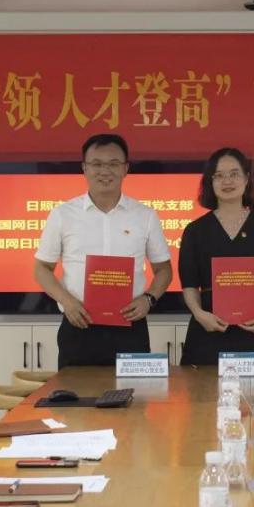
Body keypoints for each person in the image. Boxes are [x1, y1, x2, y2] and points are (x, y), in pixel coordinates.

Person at [34, 134, 173, 368]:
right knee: (76, 392)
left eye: (113, 164)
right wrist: (67, 302)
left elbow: (164, 269)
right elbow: (41, 268)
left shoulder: (145, 215)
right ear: (84, 168)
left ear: (126, 168)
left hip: (130, 326)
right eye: (97, 164)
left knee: (134, 392)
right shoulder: (63, 215)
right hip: (79, 324)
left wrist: (148, 299)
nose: (105, 171)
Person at [178, 147, 254, 365]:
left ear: (246, 179)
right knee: (202, 386)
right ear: (210, 182)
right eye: (219, 175)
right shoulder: (195, 230)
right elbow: (189, 284)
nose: (227, 181)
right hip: (209, 329)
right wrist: (199, 314)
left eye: (234, 174)